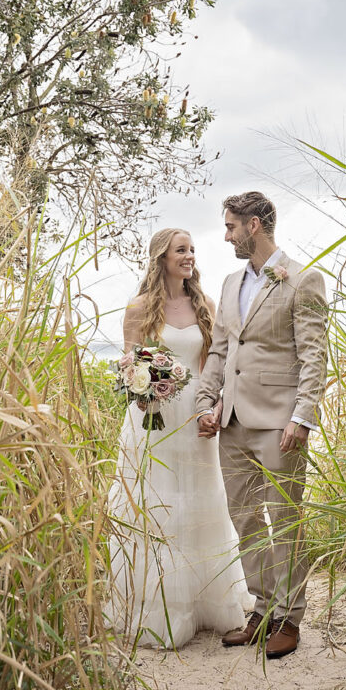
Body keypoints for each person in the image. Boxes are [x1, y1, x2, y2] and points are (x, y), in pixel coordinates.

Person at [196, 191, 328, 658]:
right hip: (230, 422)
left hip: (279, 423)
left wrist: (302, 417)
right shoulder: (231, 283)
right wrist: (205, 401)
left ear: (254, 225)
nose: (226, 234)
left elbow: (314, 355)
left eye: (231, 226)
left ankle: (290, 618)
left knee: (285, 519)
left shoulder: (303, 279)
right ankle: (263, 608)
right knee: (245, 518)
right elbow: (220, 350)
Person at [107, 228, 249, 648]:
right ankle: (160, 608)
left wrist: (214, 408)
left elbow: (214, 365)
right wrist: (143, 393)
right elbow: (129, 363)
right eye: (180, 250)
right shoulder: (139, 308)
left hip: (195, 414)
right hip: (152, 416)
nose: (189, 256)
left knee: (203, 503)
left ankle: (208, 602)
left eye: (192, 249)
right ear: (162, 258)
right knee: (159, 505)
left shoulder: (205, 305)